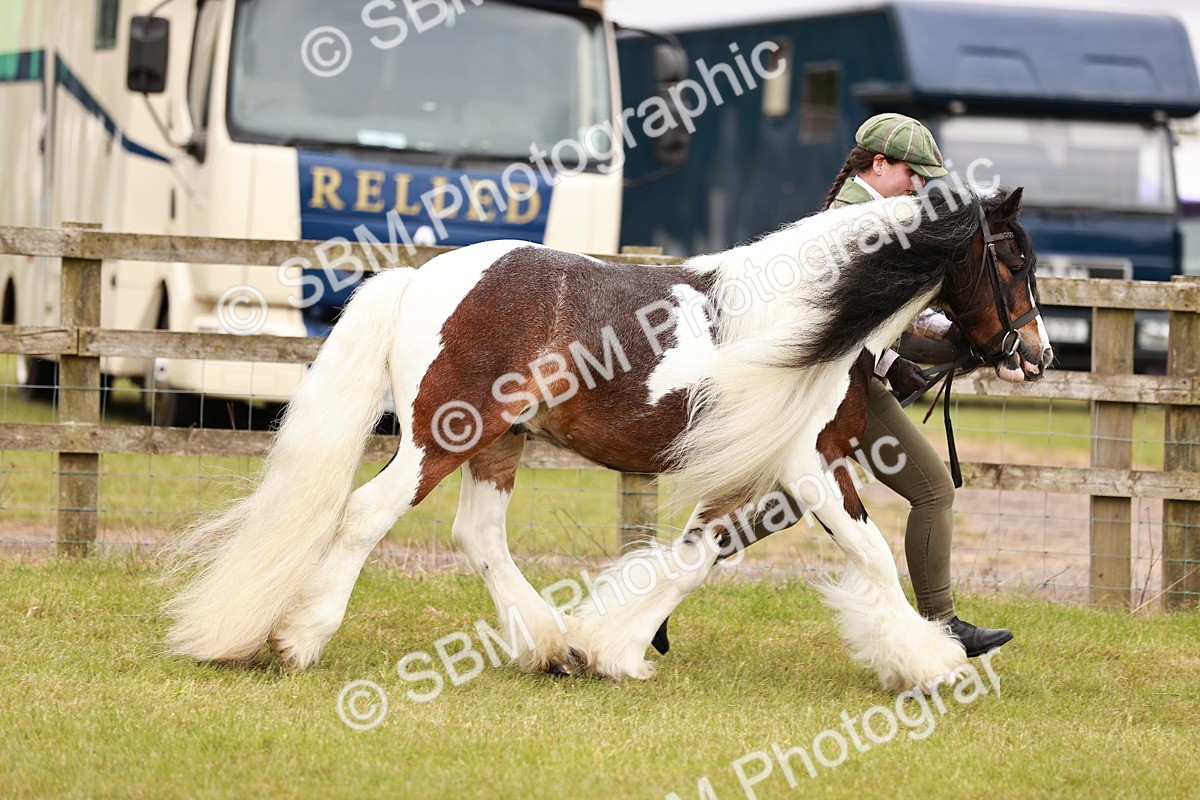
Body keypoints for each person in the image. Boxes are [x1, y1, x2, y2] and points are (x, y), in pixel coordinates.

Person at [823, 113, 1013, 658]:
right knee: (932, 490)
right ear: (878, 165)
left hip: (847, 387)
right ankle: (942, 623)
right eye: (913, 174)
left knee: (779, 504)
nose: (918, 188)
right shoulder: (856, 225)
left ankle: (658, 597)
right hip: (837, 394)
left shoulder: (867, 217)